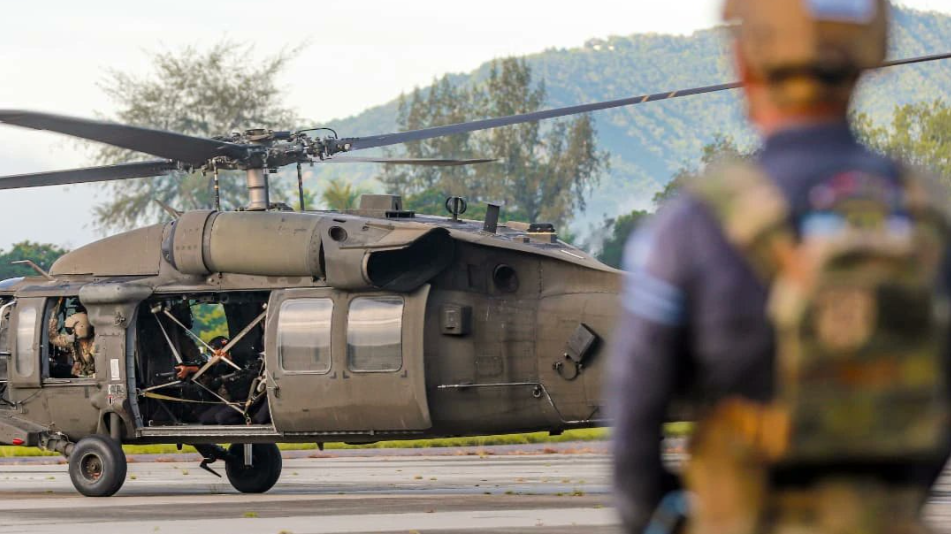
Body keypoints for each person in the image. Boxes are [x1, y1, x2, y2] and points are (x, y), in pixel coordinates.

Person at [609, 1, 951, 533]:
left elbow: (633, 438)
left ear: (744, 63)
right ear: (869, 62)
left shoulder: (692, 226)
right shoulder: (932, 217)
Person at [48, 299, 96, 378]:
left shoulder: (97, 345)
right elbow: (53, 337)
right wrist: (54, 313)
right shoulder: (75, 342)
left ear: (80, 328)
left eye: (71, 330)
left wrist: (89, 377)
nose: (69, 332)